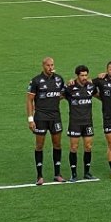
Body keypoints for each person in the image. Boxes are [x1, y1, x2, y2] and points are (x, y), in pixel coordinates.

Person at [27, 57, 67, 185]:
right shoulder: (36, 81)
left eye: (52, 65)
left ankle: (57, 174)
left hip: (55, 117)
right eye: (48, 65)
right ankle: (39, 176)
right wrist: (30, 119)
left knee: (57, 144)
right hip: (41, 117)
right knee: (39, 145)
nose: (51, 67)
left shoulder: (59, 79)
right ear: (43, 66)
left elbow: (62, 94)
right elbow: (29, 100)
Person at [63, 65, 98, 182]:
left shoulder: (91, 87)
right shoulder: (70, 88)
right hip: (75, 122)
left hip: (88, 122)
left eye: (85, 75)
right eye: (81, 75)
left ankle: (87, 172)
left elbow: (100, 95)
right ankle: (73, 174)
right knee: (74, 147)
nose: (84, 77)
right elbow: (59, 96)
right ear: (77, 76)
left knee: (88, 147)